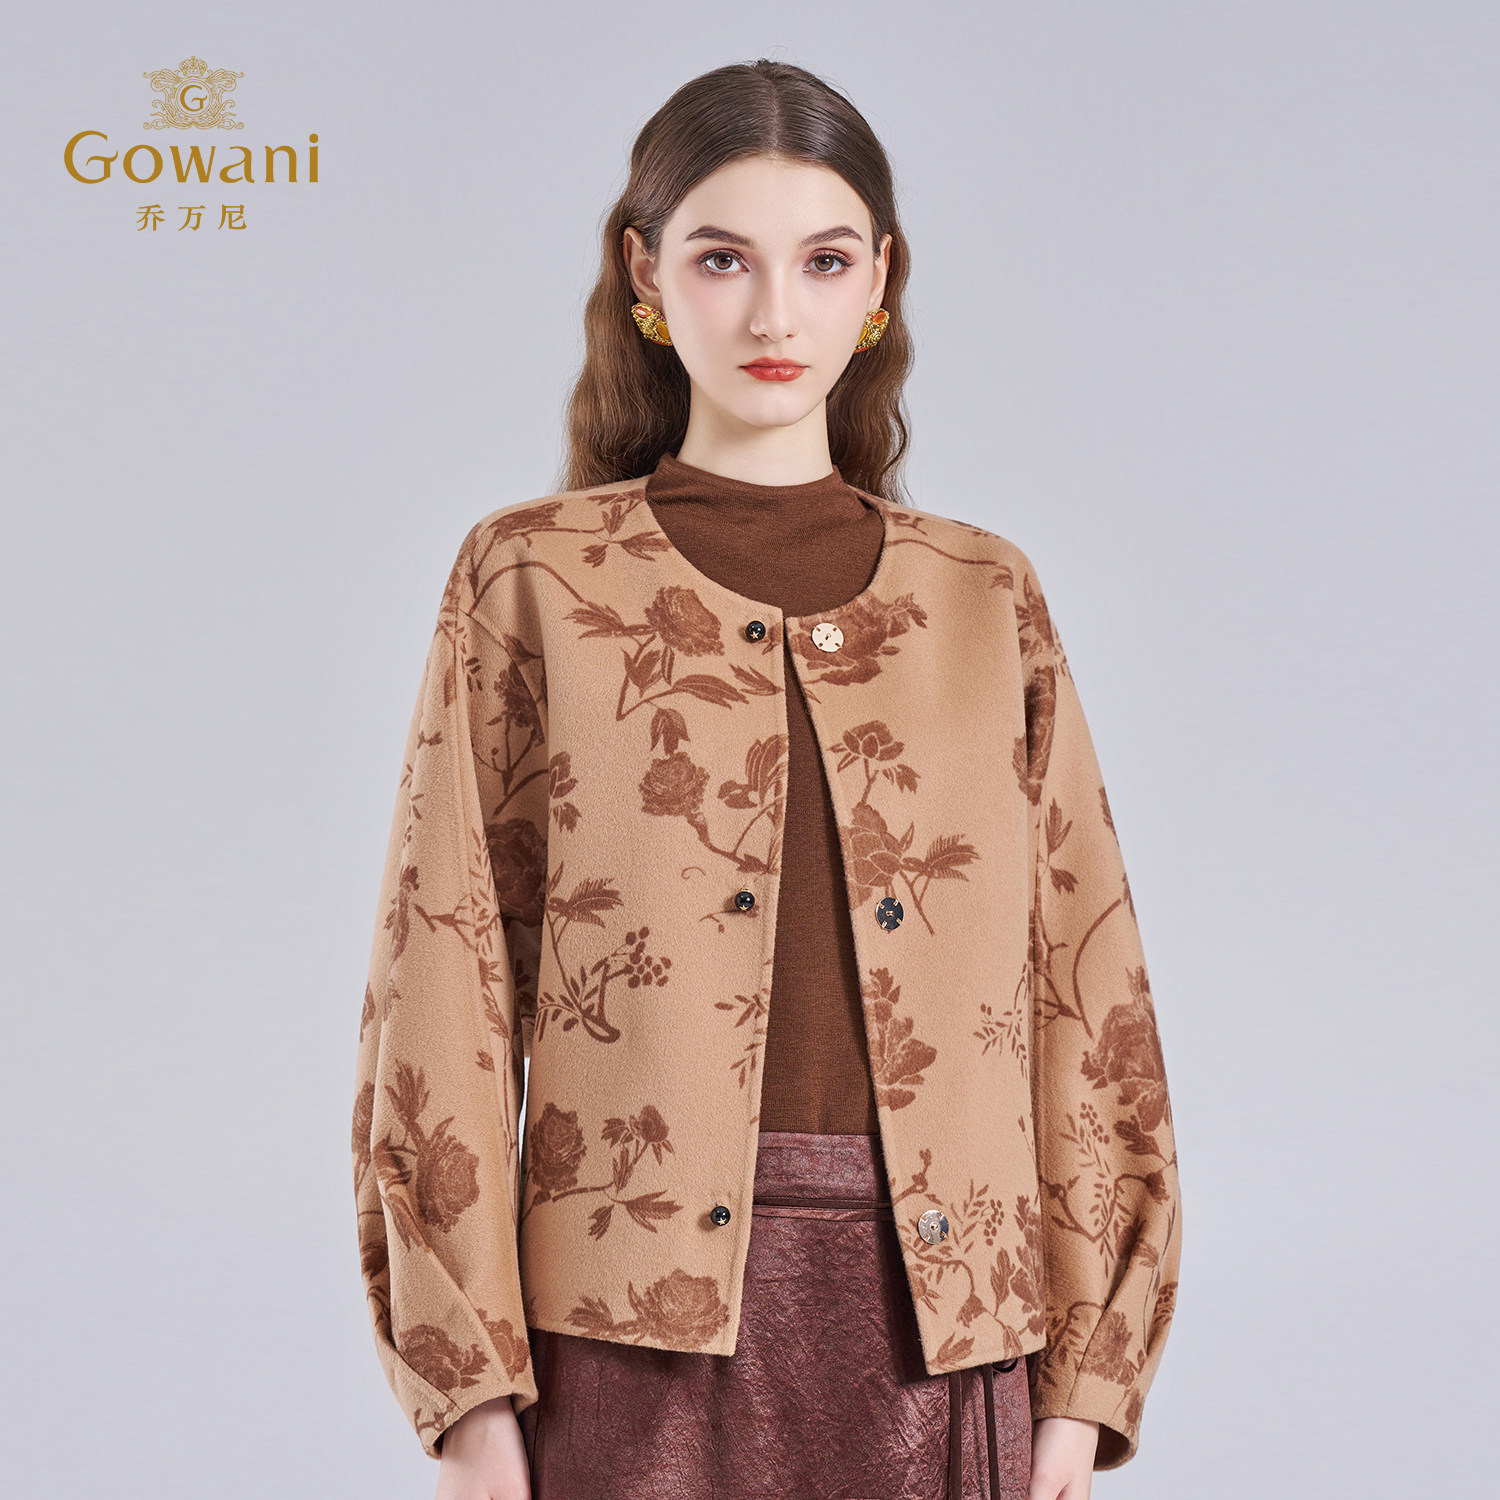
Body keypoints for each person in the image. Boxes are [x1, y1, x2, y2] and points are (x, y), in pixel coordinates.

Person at [352, 58, 1181, 1500]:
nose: (776, 315)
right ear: (646, 275)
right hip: (624, 1335)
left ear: (881, 283)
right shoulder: (533, 577)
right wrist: (470, 1396)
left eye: (825, 261)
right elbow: (442, 988)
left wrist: (1085, 1383)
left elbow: (1086, 990)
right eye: (723, 258)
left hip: (946, 1333)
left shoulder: (983, 598)